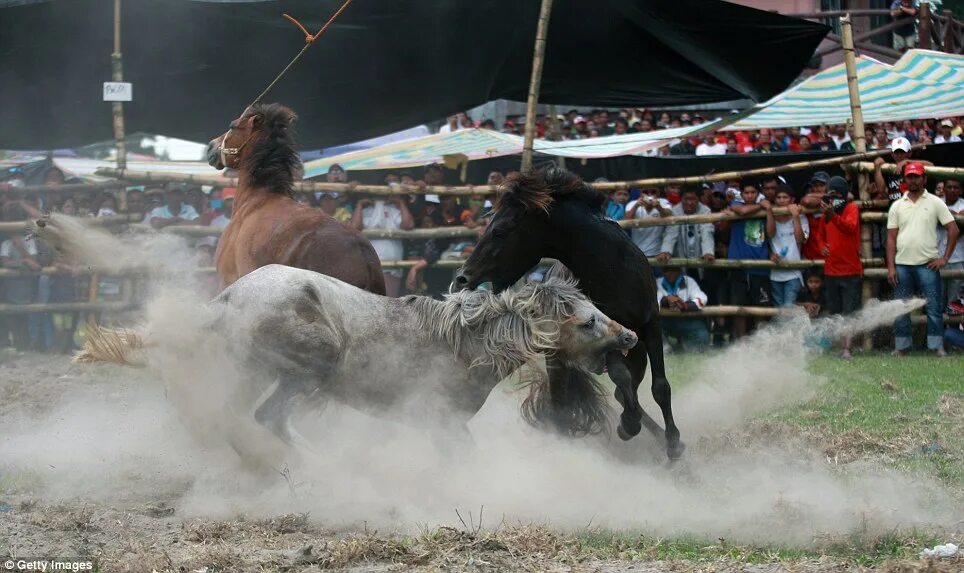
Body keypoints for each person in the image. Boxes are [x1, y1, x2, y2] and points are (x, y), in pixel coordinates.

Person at [887, 162, 959, 356]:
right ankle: (902, 347)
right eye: (910, 176)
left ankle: (937, 346)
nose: (913, 180)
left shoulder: (935, 202)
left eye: (917, 176)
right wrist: (891, 267)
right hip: (902, 264)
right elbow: (891, 238)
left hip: (928, 264)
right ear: (905, 179)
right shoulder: (897, 205)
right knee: (901, 308)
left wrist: (944, 258)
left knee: (934, 308)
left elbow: (953, 229)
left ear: (924, 179)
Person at [822, 176, 864, 358]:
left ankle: (847, 348)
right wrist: (821, 245)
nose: (835, 197)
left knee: (850, 312)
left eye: (838, 194)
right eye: (832, 194)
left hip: (851, 270)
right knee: (835, 312)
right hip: (831, 270)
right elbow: (819, 235)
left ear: (845, 194)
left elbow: (850, 227)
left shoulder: (852, 208)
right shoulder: (826, 212)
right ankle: (839, 346)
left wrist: (834, 216)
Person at [724, 184, 771, 339]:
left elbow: (771, 232)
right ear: (742, 194)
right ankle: (741, 342)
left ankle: (760, 342)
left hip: (760, 266)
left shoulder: (766, 210)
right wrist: (761, 206)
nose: (749, 195)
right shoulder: (736, 205)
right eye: (746, 192)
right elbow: (742, 211)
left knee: (761, 308)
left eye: (753, 192)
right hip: (739, 266)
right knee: (739, 308)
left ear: (758, 193)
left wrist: (768, 210)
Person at [352, 194, 414, 297]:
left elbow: (408, 225)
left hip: (392, 265)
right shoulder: (366, 211)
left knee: (389, 302)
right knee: (370, 303)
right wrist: (360, 205)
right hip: (370, 264)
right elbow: (355, 227)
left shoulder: (394, 210)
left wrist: (401, 203)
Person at [765, 185, 809, 308]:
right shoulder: (771, 217)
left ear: (792, 200)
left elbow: (801, 239)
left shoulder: (801, 217)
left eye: (785, 197)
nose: (781, 200)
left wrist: (795, 216)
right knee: (778, 311)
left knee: (788, 307)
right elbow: (770, 234)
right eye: (778, 197)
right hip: (775, 273)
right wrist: (771, 255)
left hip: (794, 272)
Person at [657, 188, 714, 270]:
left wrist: (708, 252)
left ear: (699, 199)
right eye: (686, 199)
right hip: (682, 253)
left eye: (693, 199)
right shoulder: (675, 210)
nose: (689, 203)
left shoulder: (705, 211)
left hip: (700, 254)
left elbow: (707, 231)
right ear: (681, 199)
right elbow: (671, 232)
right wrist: (666, 251)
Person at [656, 265, 710, 352]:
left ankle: (689, 346)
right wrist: (666, 300)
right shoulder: (657, 282)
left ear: (679, 271)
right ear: (663, 272)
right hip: (664, 321)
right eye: (667, 270)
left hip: (685, 319)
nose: (670, 273)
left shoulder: (688, 281)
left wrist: (684, 305)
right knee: (653, 327)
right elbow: (655, 301)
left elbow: (702, 298)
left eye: (673, 270)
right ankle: (665, 348)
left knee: (702, 334)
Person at [625, 188, 672, 266]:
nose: (649, 195)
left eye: (653, 192)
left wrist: (659, 207)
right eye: (645, 192)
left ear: (658, 193)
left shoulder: (663, 202)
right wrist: (636, 206)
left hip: (658, 254)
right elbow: (626, 220)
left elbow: (669, 217)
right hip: (637, 253)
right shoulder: (633, 203)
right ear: (640, 193)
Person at [938, 179, 964, 305]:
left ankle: (952, 326)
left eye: (956, 187)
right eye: (949, 187)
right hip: (937, 258)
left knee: (954, 304)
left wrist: (946, 216)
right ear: (943, 189)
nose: (952, 190)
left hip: (958, 259)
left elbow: (960, 229)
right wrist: (955, 216)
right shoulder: (936, 203)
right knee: (937, 301)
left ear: (961, 190)